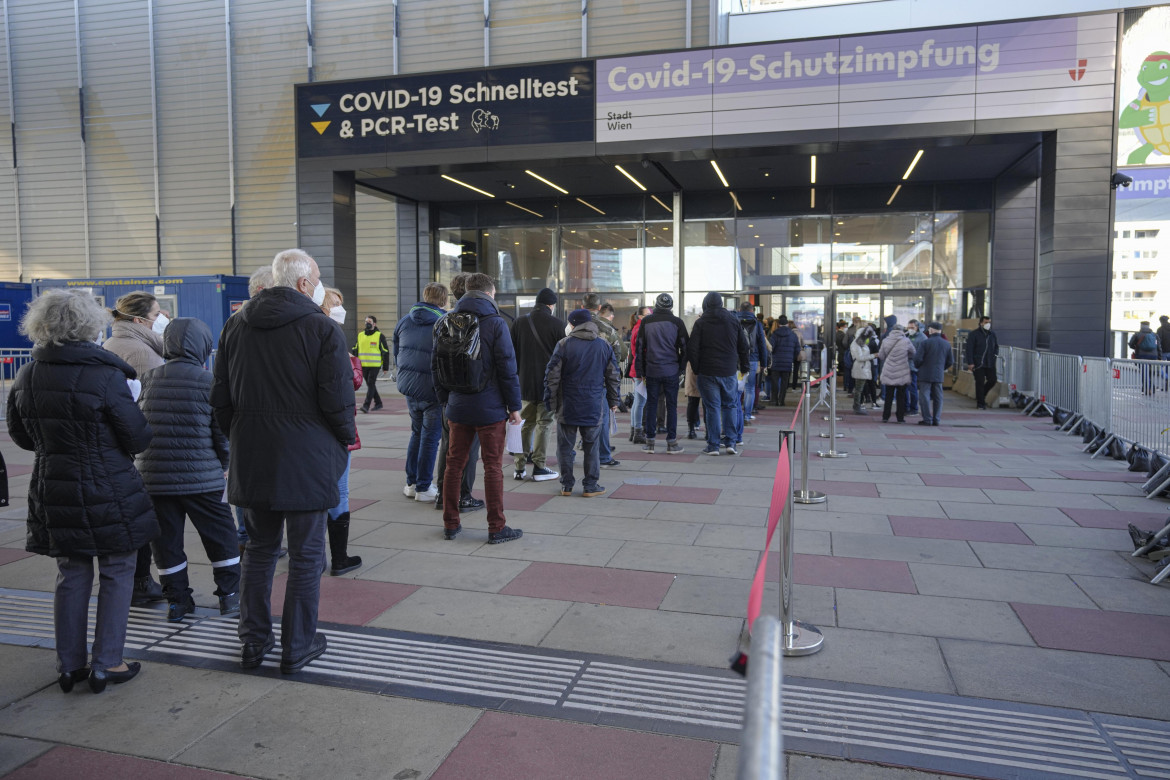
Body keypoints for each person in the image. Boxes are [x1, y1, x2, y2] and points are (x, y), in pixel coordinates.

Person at [211, 249, 355, 675]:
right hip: (308, 456)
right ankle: (298, 644)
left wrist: (241, 436)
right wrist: (342, 441)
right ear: (304, 283)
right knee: (307, 555)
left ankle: (253, 641)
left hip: (253, 454)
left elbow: (221, 398)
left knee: (258, 550)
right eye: (318, 278)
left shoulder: (236, 325)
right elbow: (338, 401)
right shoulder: (322, 329)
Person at [8, 289, 157, 693]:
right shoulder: (106, 375)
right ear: (90, 325)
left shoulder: (27, 374)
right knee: (118, 569)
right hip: (109, 486)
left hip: (53, 486)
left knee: (71, 572)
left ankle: (69, 665)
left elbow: (21, 436)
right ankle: (107, 663)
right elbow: (138, 438)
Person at [137, 317, 241, 622]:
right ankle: (229, 597)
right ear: (203, 345)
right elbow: (221, 435)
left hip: (154, 479)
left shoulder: (148, 378)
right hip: (202, 478)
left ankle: (177, 601)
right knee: (221, 537)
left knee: (166, 543)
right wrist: (224, 466)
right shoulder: (208, 381)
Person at [433, 273, 523, 544]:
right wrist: (514, 407)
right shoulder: (496, 323)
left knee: (453, 465)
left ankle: (450, 524)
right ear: (489, 293)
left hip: (457, 406)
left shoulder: (445, 320)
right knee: (493, 467)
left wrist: (446, 400)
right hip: (490, 408)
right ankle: (497, 527)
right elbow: (507, 368)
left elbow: (435, 366)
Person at [103, 290, 167, 608]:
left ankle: (138, 580)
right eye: (157, 314)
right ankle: (141, 580)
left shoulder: (113, 343)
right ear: (140, 321)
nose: (162, 319)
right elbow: (151, 408)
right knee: (144, 516)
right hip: (141, 450)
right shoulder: (142, 353)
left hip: (118, 449)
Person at [545, 309, 621, 497]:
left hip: (567, 404)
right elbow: (613, 376)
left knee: (565, 447)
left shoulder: (563, 344)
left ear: (573, 324)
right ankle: (590, 486)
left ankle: (566, 485)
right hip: (593, 403)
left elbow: (552, 376)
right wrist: (614, 400)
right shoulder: (603, 345)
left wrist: (550, 402)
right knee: (591, 447)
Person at [432, 274, 485, 514]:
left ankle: (443, 494)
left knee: (448, 446)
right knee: (469, 449)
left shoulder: (442, 321)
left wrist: (442, 396)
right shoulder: (480, 321)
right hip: (472, 397)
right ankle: (463, 496)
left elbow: (434, 363)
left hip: (448, 397)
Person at [394, 283, 449, 502]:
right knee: (430, 439)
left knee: (417, 433)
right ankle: (423, 487)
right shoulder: (443, 322)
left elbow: (397, 353)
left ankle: (411, 483)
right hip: (432, 389)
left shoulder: (405, 320)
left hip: (409, 387)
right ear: (444, 300)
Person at [322, 287, 363, 576]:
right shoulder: (330, 337)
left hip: (318, 429)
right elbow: (351, 382)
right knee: (339, 490)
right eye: (335, 303)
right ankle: (339, 558)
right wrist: (354, 362)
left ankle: (316, 556)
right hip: (335, 429)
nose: (340, 308)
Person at [509, 287, 564, 482]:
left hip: (524, 383)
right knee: (544, 424)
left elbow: (511, 354)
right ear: (551, 305)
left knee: (524, 424)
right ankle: (540, 466)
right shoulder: (558, 324)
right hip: (548, 385)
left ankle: (519, 467)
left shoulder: (519, 322)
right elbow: (562, 357)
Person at [688, 291, 749, 456]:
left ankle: (713, 445)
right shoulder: (733, 321)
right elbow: (743, 346)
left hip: (707, 371)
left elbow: (692, 348)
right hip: (728, 371)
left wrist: (697, 368)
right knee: (730, 406)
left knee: (712, 408)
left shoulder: (701, 322)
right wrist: (744, 367)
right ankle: (731, 443)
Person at [636, 294, 688, 454]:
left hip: (652, 370)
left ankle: (650, 442)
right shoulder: (677, 322)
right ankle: (672, 442)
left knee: (651, 404)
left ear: (656, 305)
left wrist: (641, 370)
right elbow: (685, 347)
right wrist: (681, 367)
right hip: (671, 369)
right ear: (671, 306)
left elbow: (640, 348)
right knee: (672, 406)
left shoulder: (646, 322)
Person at [584, 293, 625, 468]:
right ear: (599, 308)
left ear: (582, 306)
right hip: (599, 381)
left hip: (575, 382)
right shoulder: (607, 329)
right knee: (602, 418)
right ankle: (603, 456)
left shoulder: (572, 327)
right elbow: (617, 357)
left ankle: (573, 456)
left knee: (572, 421)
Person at [914, 322, 953, 426]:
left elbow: (917, 359)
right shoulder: (946, 344)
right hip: (938, 374)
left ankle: (927, 419)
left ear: (931, 330)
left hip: (925, 374)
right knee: (938, 397)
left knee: (924, 397)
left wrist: (919, 367)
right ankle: (936, 419)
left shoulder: (925, 343)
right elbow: (950, 361)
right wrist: (941, 368)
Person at [737, 303, 769, 423]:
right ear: (752, 311)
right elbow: (762, 344)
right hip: (752, 360)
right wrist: (764, 363)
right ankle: (747, 415)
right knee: (750, 388)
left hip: (738, 361)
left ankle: (737, 414)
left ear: (740, 310)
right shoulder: (757, 324)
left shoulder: (735, 321)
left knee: (738, 387)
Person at [877, 324, 916, 423]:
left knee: (889, 395)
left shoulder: (886, 341)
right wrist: (905, 356)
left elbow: (881, 355)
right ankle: (900, 417)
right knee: (901, 396)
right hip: (902, 370)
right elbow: (913, 352)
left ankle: (885, 417)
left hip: (889, 369)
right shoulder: (906, 341)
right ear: (902, 331)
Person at [626, 306, 652, 445]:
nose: (650, 316)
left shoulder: (637, 328)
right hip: (641, 370)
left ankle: (633, 431)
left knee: (638, 401)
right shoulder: (641, 329)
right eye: (647, 314)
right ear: (640, 316)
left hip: (637, 369)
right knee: (640, 402)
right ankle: (637, 431)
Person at [355, 314, 390, 413]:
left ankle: (366, 406)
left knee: (371, 383)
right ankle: (378, 403)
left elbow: (385, 352)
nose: (367, 323)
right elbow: (355, 349)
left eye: (369, 322)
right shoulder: (360, 335)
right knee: (371, 385)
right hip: (363, 365)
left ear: (374, 324)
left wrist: (385, 367)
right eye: (366, 322)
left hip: (375, 365)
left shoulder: (379, 336)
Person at [964, 316, 999, 410]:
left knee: (992, 380)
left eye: (989, 322)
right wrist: (970, 362)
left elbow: (996, 346)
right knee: (979, 382)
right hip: (978, 363)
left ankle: (982, 395)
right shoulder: (974, 334)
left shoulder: (992, 334)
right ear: (981, 323)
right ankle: (980, 403)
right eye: (986, 322)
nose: (988, 324)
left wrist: (995, 355)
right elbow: (969, 349)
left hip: (990, 362)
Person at [767, 315, 801, 407]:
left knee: (774, 382)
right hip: (787, 363)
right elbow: (797, 349)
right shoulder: (793, 335)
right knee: (784, 383)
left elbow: (770, 348)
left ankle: (774, 400)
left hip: (776, 362)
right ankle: (781, 400)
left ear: (778, 324)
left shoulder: (774, 334)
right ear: (787, 324)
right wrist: (791, 358)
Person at [851, 325, 879, 414]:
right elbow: (859, 357)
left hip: (863, 367)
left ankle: (857, 406)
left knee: (859, 389)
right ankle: (857, 406)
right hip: (861, 368)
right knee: (859, 389)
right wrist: (873, 355)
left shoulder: (860, 343)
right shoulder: (856, 344)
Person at [1129, 320, 1160, 396]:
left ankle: (1148, 388)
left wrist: (1137, 347)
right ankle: (1149, 387)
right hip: (1153, 356)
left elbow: (1131, 344)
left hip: (1141, 356)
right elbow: (1158, 346)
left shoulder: (1137, 334)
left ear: (1141, 326)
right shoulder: (1154, 335)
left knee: (1144, 373)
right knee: (1150, 372)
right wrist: (1159, 357)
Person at [905, 319, 927, 415]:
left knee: (912, 388)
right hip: (905, 365)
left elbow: (922, 353)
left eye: (912, 327)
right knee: (905, 388)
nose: (910, 329)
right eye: (909, 327)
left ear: (917, 327)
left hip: (914, 366)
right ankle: (906, 407)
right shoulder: (907, 335)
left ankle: (914, 408)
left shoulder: (922, 338)